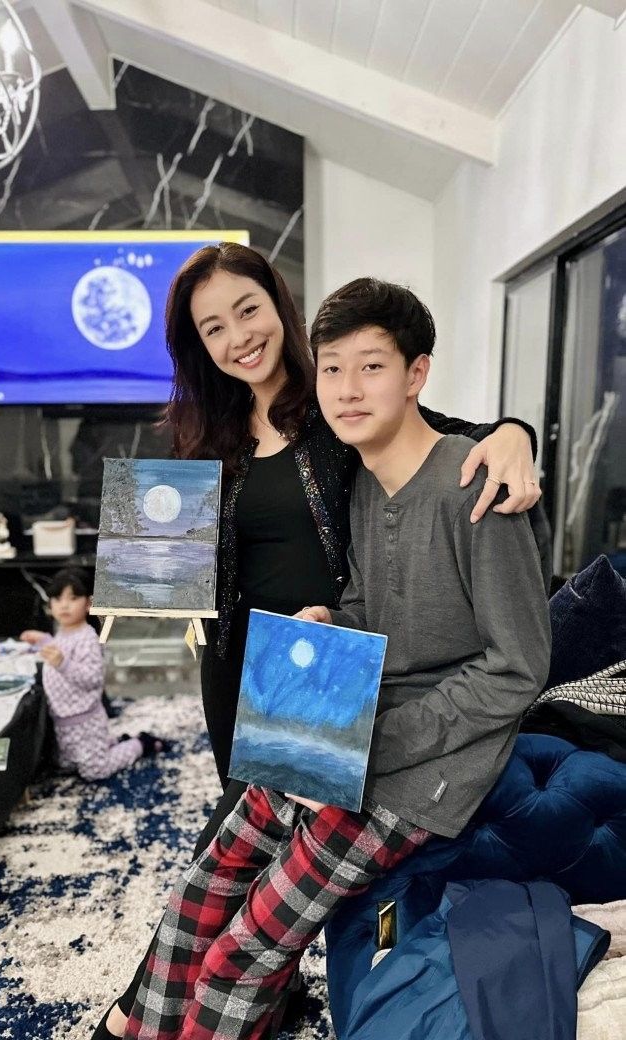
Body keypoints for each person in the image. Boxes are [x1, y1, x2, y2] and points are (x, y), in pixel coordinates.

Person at [92, 243, 546, 1039]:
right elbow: (185, 564)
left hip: (350, 699)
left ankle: (156, 1015)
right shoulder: (214, 433)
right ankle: (151, 1018)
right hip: (261, 674)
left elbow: (452, 441)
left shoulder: (340, 418)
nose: (237, 335)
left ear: (281, 307)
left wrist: (516, 432)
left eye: (248, 309)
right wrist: (140, 561)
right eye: (212, 327)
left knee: (251, 920)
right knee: (209, 880)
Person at [20, 567, 166, 780]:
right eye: (58, 599)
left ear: (88, 603)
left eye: (73, 598)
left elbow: (92, 679)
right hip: (62, 720)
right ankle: (112, 744)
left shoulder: (88, 638)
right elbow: (61, 653)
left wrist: (62, 663)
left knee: (94, 770)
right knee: (65, 763)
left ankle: (141, 744)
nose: (64, 605)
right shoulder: (62, 632)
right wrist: (43, 641)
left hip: (85, 722)